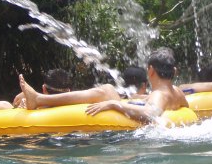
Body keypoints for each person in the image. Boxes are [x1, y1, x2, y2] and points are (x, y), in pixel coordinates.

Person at [21, 47, 189, 123]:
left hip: (127, 137)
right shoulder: (177, 92)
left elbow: (151, 113)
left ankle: (40, 99)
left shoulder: (159, 95)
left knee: (106, 91)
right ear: (174, 71)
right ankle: (40, 99)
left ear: (151, 71)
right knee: (108, 90)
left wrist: (113, 103)